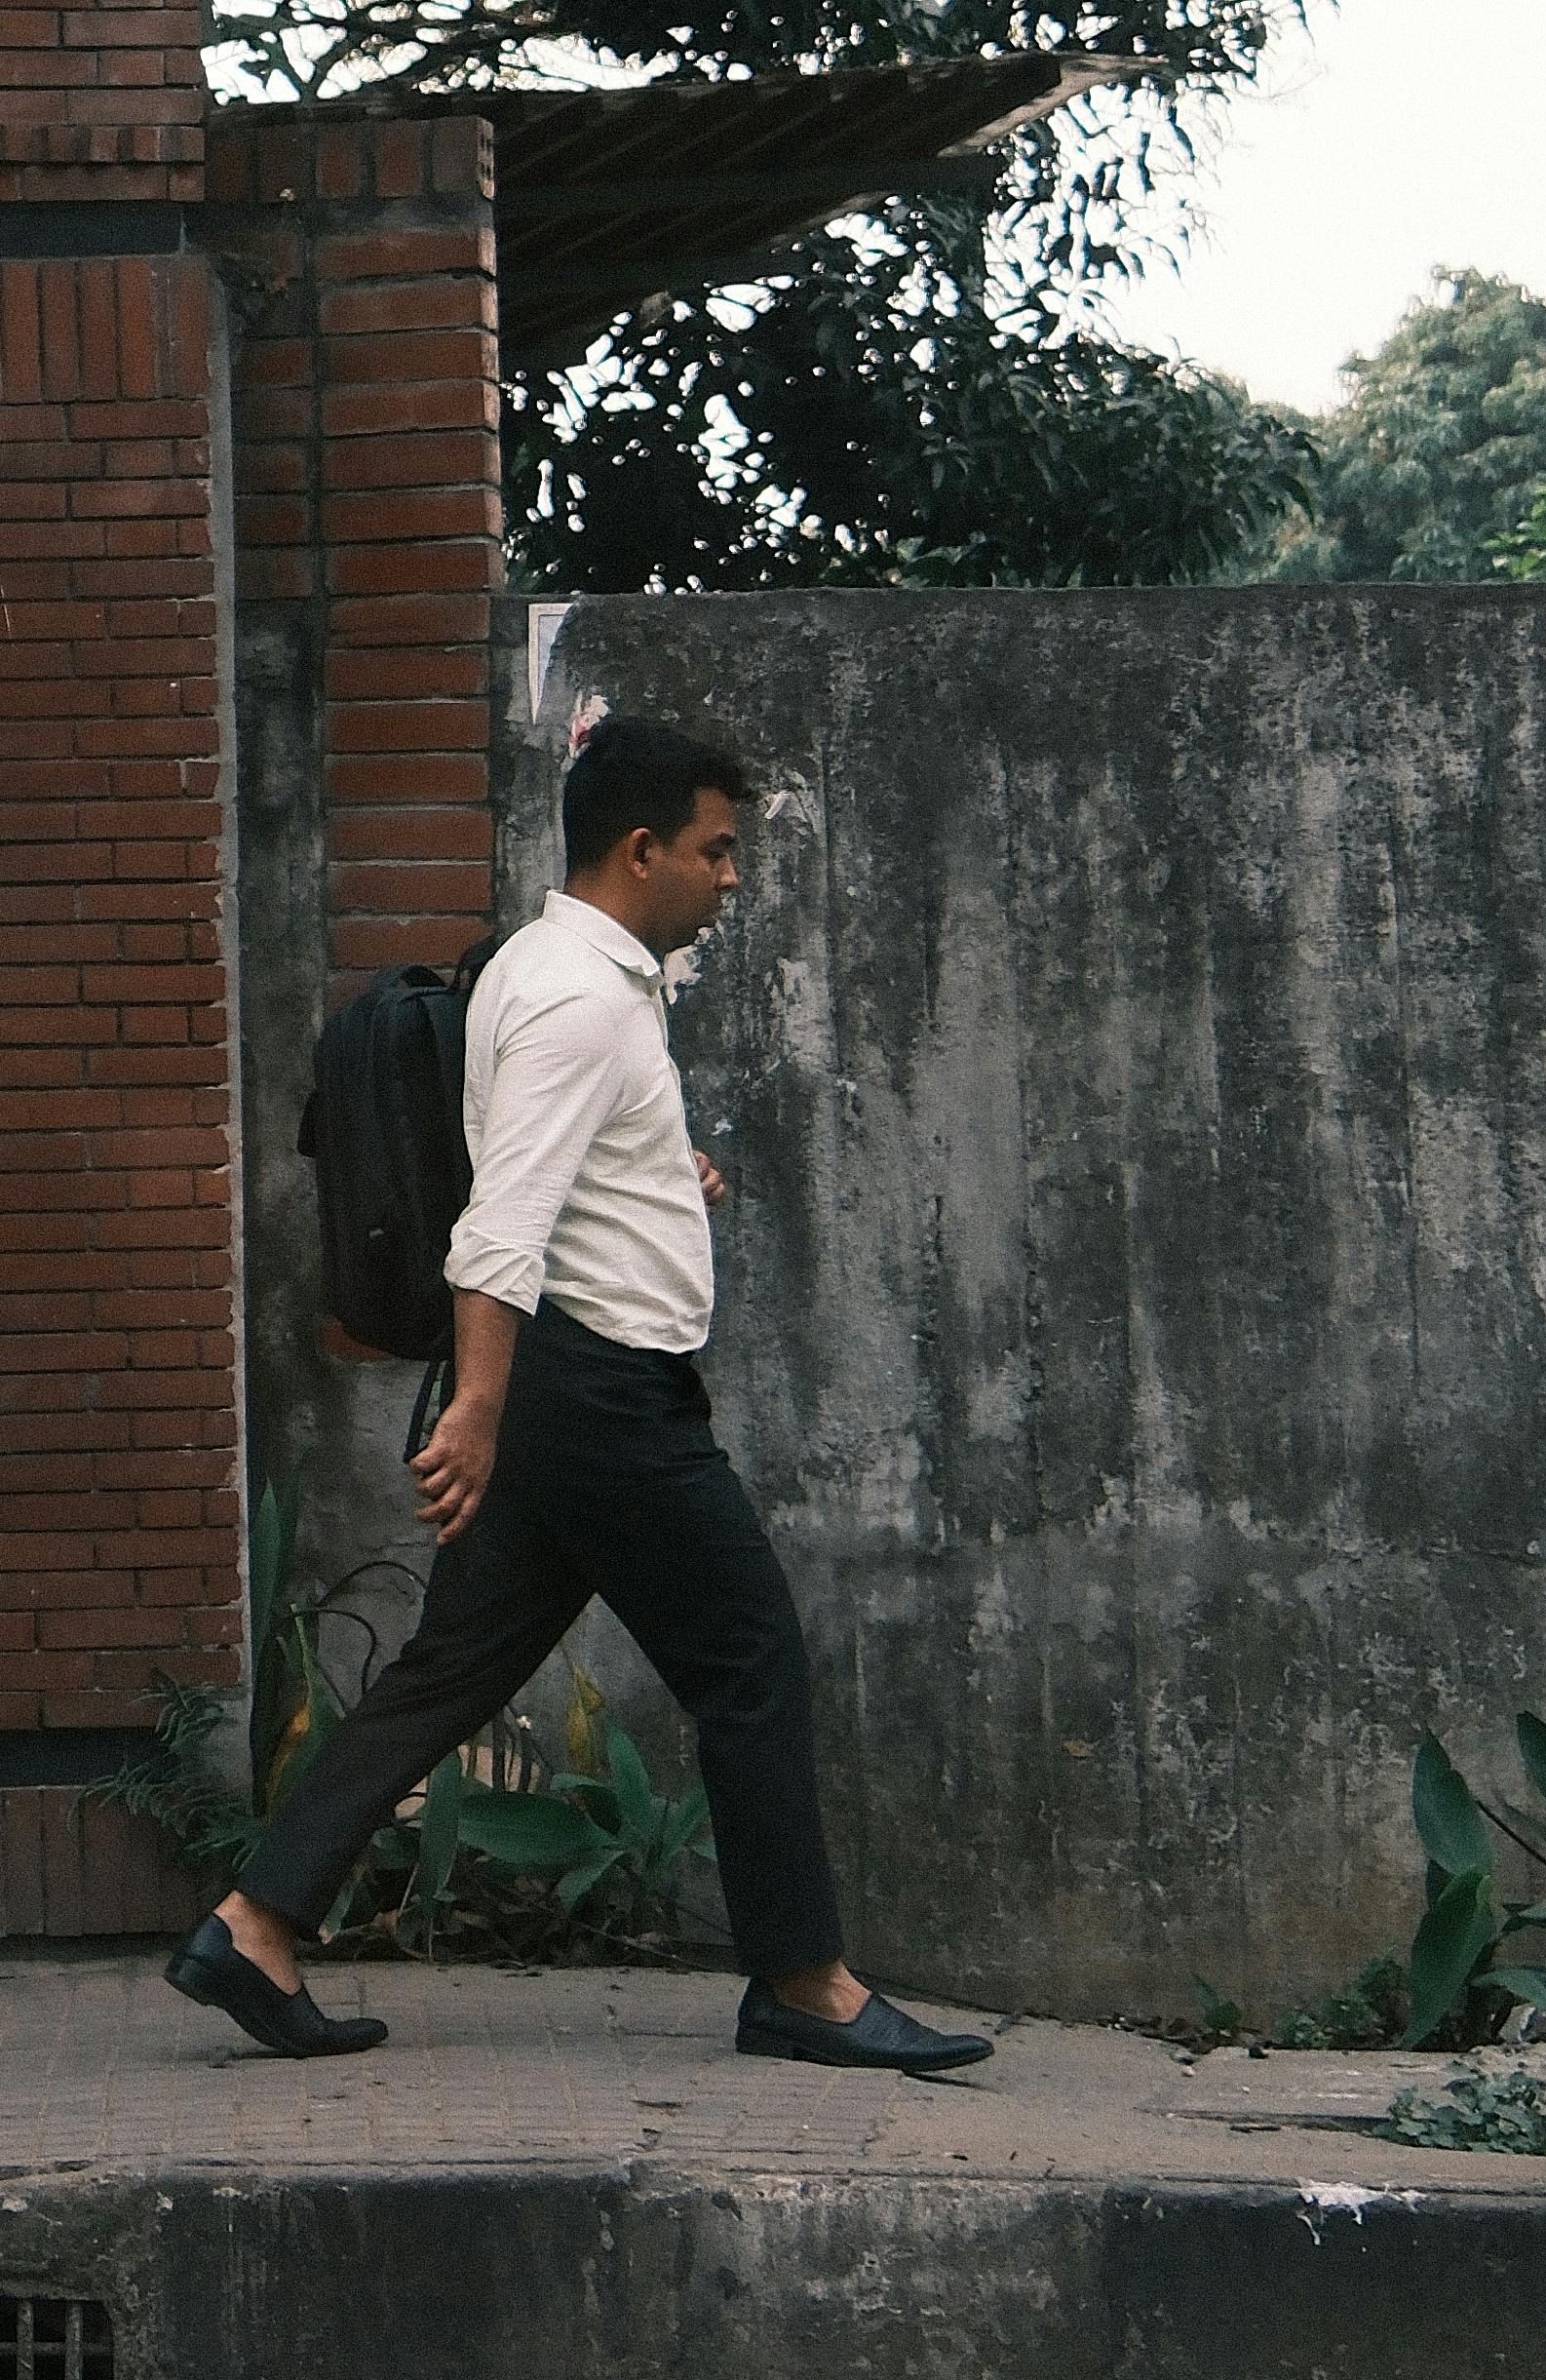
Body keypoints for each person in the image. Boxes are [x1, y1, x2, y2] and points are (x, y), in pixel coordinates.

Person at [173, 710, 986, 2073]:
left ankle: (254, 1923)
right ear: (640, 846)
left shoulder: (562, 975)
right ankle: (803, 1983)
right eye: (719, 854)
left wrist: (672, 1173)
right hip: (595, 1394)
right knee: (750, 1661)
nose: (734, 880)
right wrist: (476, 1410)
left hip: (566, 1384)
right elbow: (502, 1221)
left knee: (452, 1667)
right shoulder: (573, 996)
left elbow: (557, 1158)